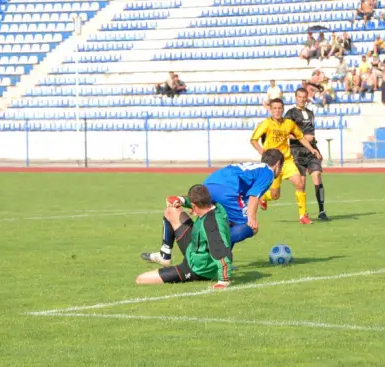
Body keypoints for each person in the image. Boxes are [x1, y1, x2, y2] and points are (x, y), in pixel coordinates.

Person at [141, 149, 285, 269]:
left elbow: (247, 195)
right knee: (249, 227)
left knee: (226, 220)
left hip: (210, 182)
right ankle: (211, 249)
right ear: (278, 164)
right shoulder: (268, 172)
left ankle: (165, 253)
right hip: (228, 189)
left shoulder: (254, 167)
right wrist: (251, 218)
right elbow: (253, 196)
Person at [137, 184, 232, 289]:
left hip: (198, 269)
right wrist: (181, 200)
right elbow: (197, 201)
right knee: (171, 210)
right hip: (194, 247)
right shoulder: (215, 205)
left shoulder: (211, 225)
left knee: (141, 279)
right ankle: (164, 255)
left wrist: (223, 281)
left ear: (194, 206)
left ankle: (197, 274)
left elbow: (222, 253)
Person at [250, 98, 322, 224]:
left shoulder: (289, 123)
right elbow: (253, 140)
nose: (277, 111)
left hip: (286, 160)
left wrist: (312, 149)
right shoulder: (266, 123)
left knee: (300, 184)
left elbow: (300, 137)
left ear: (283, 109)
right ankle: (263, 197)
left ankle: (303, 216)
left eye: (279, 108)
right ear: (271, 110)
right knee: (275, 195)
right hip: (272, 164)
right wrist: (264, 153)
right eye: (275, 108)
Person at [284, 88, 330, 221]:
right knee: (302, 183)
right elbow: (287, 133)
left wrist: (312, 144)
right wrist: (302, 137)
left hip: (312, 150)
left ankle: (322, 210)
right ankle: (303, 213)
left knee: (317, 176)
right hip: (297, 152)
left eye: (304, 97)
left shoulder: (310, 113)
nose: (302, 99)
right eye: (299, 97)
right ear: (295, 97)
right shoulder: (290, 114)